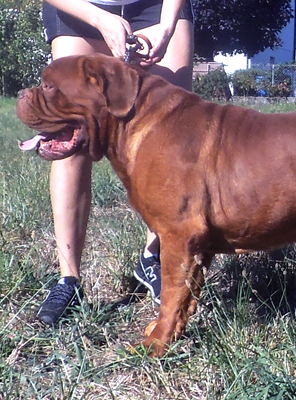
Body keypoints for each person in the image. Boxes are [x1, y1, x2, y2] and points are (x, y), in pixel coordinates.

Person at [36, 0, 194, 324]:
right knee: (73, 133)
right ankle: (69, 279)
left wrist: (167, 26)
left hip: (156, 7)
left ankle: (155, 256)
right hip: (79, 7)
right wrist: (98, 17)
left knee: (170, 132)